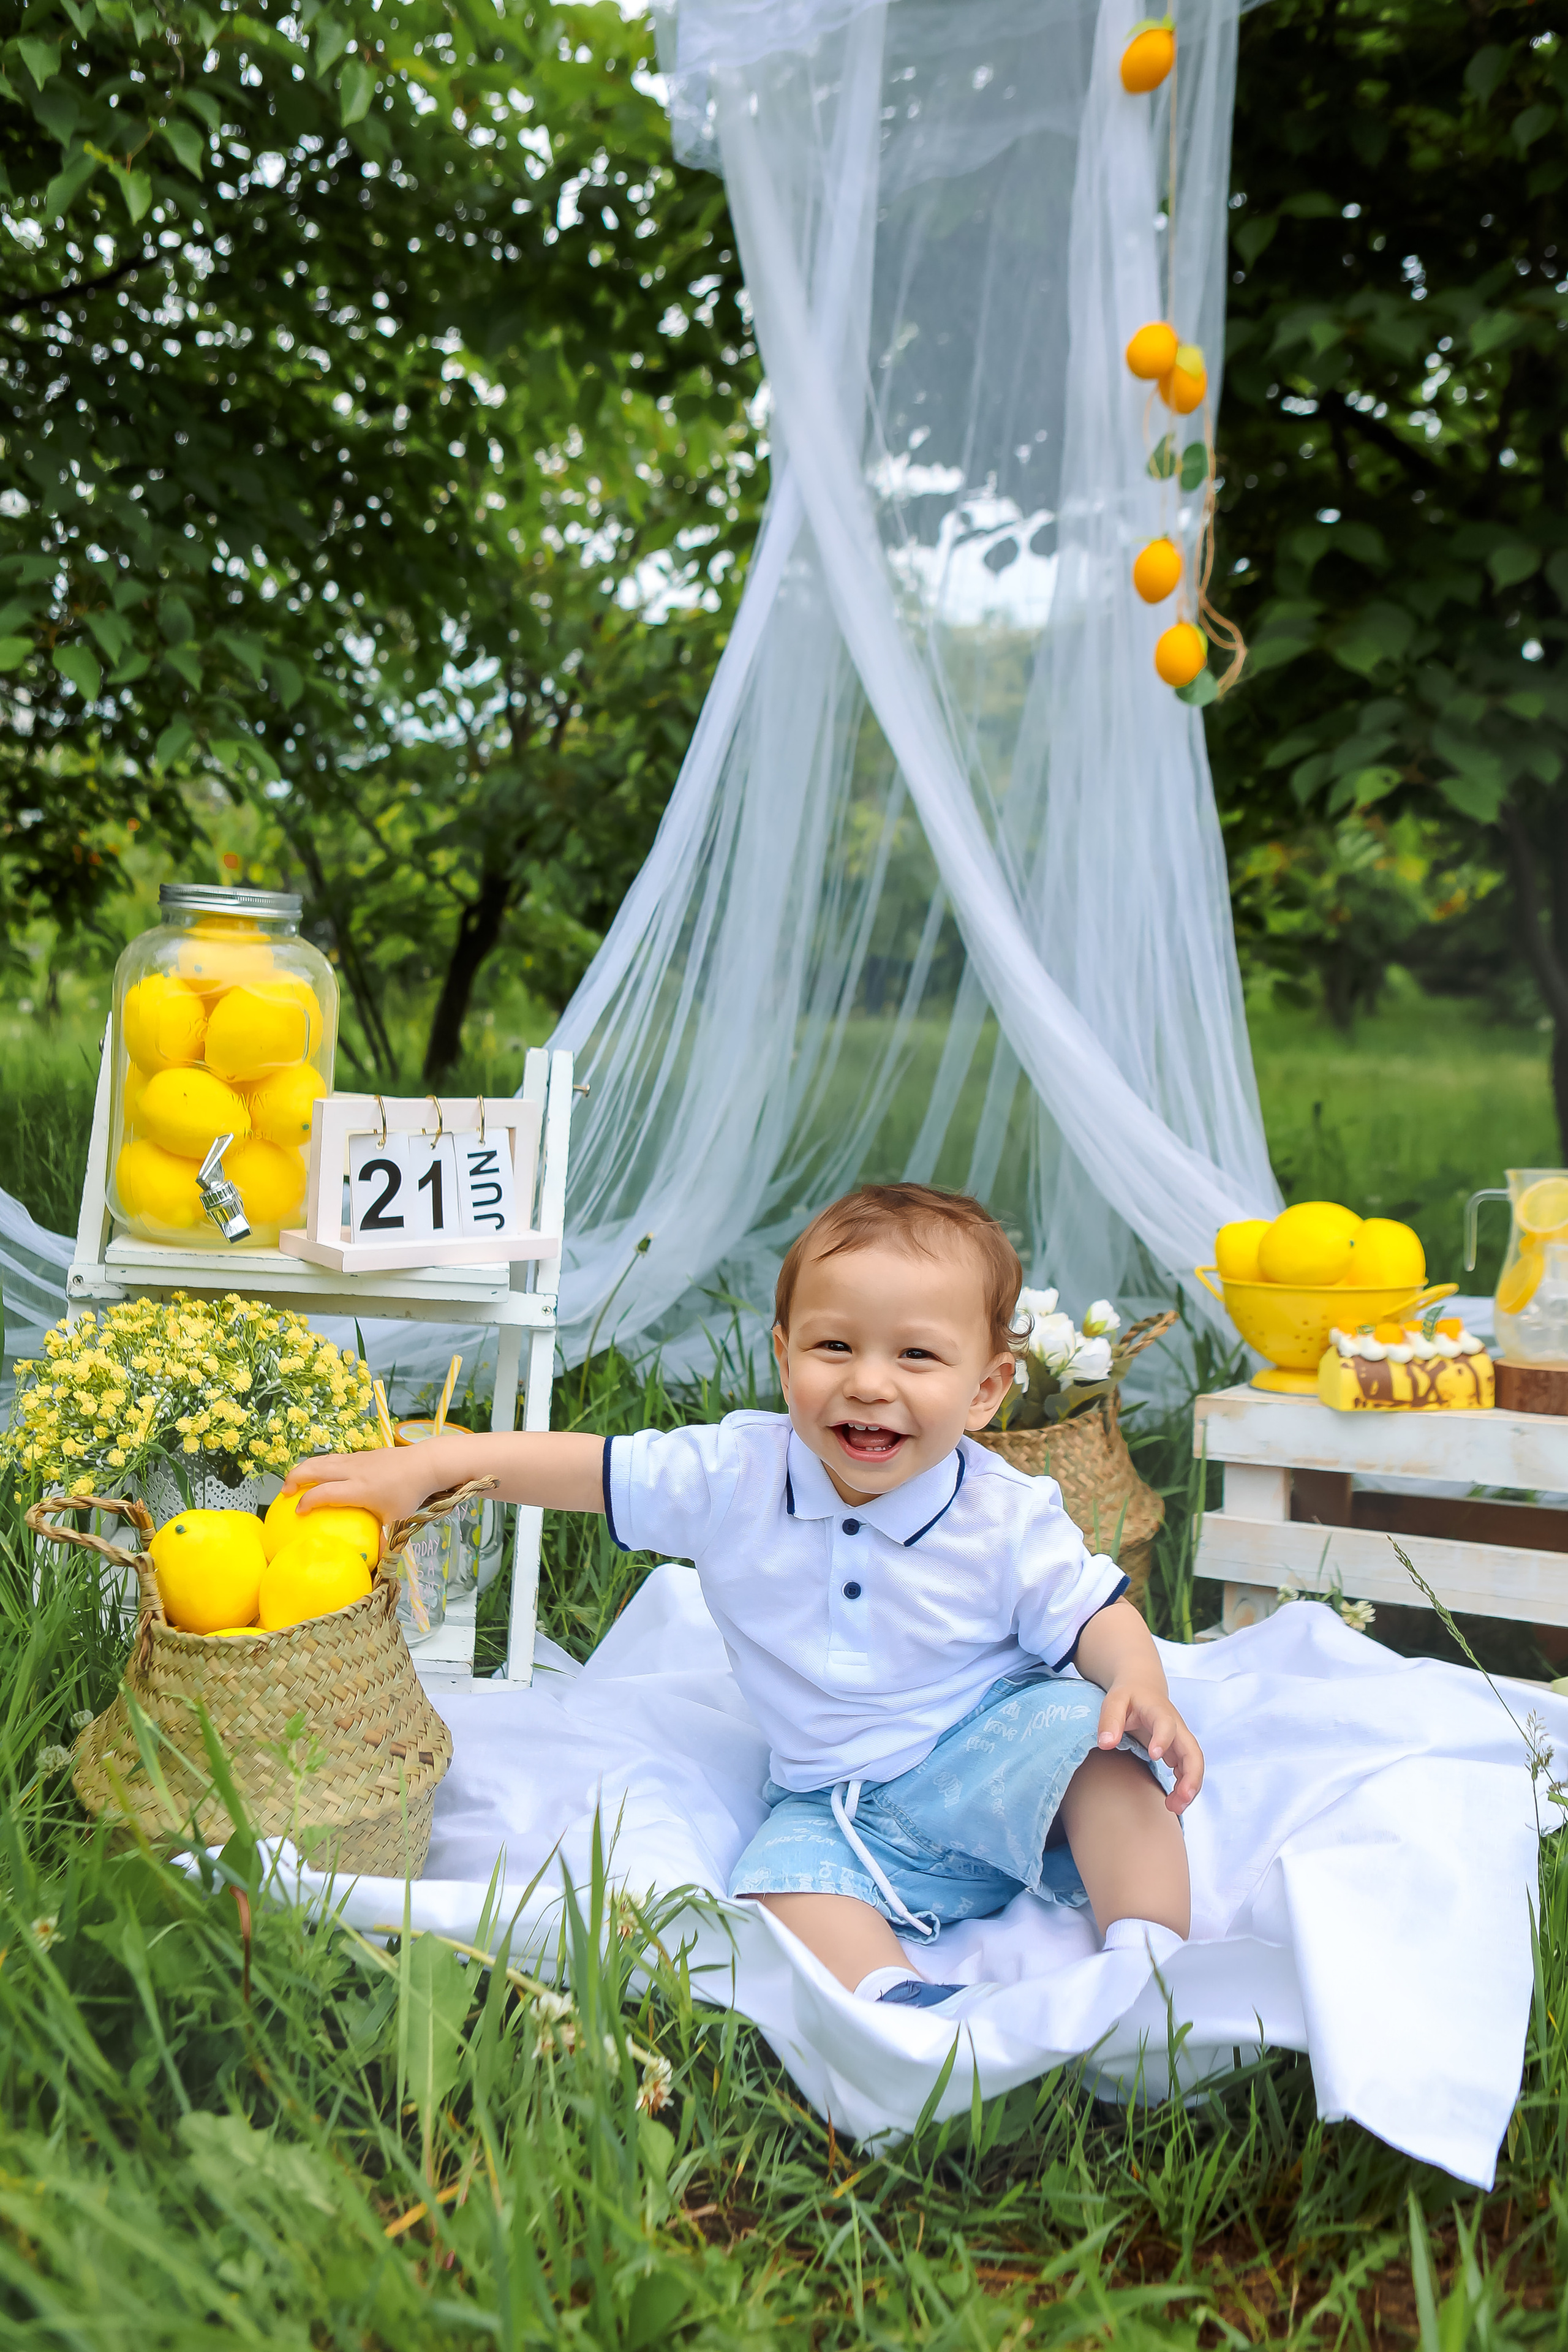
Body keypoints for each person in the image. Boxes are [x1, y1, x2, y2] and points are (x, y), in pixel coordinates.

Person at [285, 1183, 1203, 2013]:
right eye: (833, 1346)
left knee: (1098, 1743)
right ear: (784, 1354)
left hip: (988, 1754)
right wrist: (438, 1465)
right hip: (835, 1800)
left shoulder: (1002, 1515)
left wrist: (1139, 1682)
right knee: (776, 1885)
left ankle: (1150, 1959)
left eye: (917, 1356)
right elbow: (590, 1470)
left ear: (986, 1390)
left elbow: (1095, 1615)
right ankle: (895, 2004)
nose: (869, 1383)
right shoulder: (736, 1473)